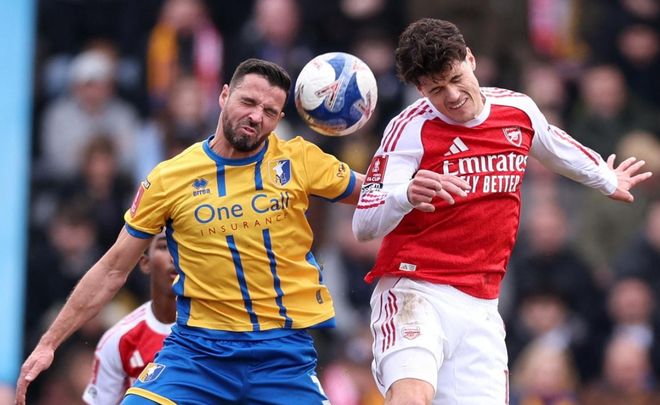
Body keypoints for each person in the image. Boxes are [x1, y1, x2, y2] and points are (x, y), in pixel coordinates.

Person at [17, 58, 364, 405]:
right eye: (248, 102)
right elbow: (112, 269)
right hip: (198, 355)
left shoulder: (298, 159)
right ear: (223, 96)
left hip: (281, 357)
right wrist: (48, 343)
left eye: (269, 111)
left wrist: (398, 168)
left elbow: (376, 193)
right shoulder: (170, 178)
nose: (256, 116)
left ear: (279, 119)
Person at [352, 18, 652, 405]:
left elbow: (554, 145)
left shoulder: (517, 110)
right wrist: (405, 194)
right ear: (420, 89)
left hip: (481, 304)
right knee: (412, 396)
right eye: (437, 90)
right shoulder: (407, 129)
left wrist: (606, 178)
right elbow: (364, 222)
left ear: (470, 59)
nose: (453, 96)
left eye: (456, 78)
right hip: (415, 290)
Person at [82, 232, 176, 404]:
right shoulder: (119, 339)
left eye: (184, 247)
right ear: (145, 263)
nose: (174, 256)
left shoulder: (218, 329)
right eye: (164, 246)